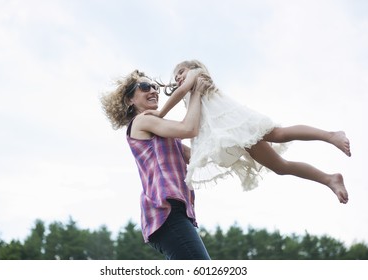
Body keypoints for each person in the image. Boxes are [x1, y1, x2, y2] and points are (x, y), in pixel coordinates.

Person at [146, 59, 351, 204]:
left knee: (279, 134)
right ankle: (329, 179)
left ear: (192, 69)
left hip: (236, 123)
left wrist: (161, 114)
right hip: (231, 134)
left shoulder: (195, 75)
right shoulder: (190, 96)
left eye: (180, 72)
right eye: (176, 76)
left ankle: (331, 135)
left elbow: (182, 90)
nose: (179, 78)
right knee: (280, 167)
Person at [100, 69, 211, 259]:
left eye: (154, 86)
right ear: (130, 100)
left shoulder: (166, 135)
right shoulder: (142, 121)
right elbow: (188, 128)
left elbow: (199, 157)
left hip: (176, 213)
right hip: (166, 212)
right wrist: (196, 90)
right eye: (144, 87)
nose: (152, 90)